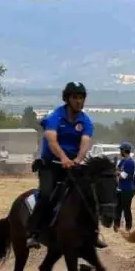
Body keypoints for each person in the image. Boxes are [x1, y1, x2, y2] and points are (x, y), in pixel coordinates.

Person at [26, 82, 107, 250]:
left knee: (90, 193)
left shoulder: (86, 121)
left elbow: (85, 143)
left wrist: (77, 160)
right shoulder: (54, 117)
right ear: (67, 99)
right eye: (75, 97)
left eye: (82, 98)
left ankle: (94, 232)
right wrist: (63, 157)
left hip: (74, 165)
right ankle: (33, 233)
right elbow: (52, 141)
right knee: (47, 193)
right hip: (51, 164)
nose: (79, 101)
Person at [114, 142, 135, 232]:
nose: (120, 151)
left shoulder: (130, 163)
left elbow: (122, 176)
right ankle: (116, 224)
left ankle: (128, 226)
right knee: (118, 207)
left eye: (120, 150)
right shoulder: (123, 160)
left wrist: (118, 173)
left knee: (126, 208)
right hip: (120, 188)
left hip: (127, 189)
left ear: (124, 151)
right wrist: (118, 172)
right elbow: (117, 169)